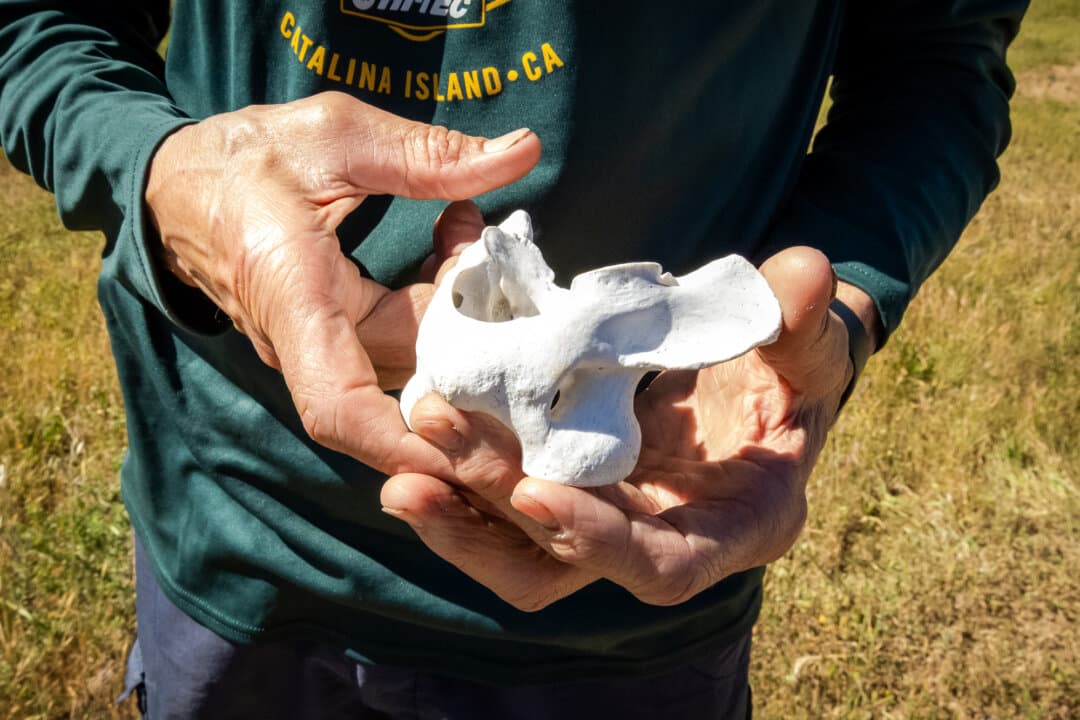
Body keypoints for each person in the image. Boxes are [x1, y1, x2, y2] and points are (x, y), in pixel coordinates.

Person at [0, 2, 1026, 718]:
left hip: (634, 585)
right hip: (233, 539)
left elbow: (936, 63)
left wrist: (824, 311)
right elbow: (40, 24)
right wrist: (169, 182)